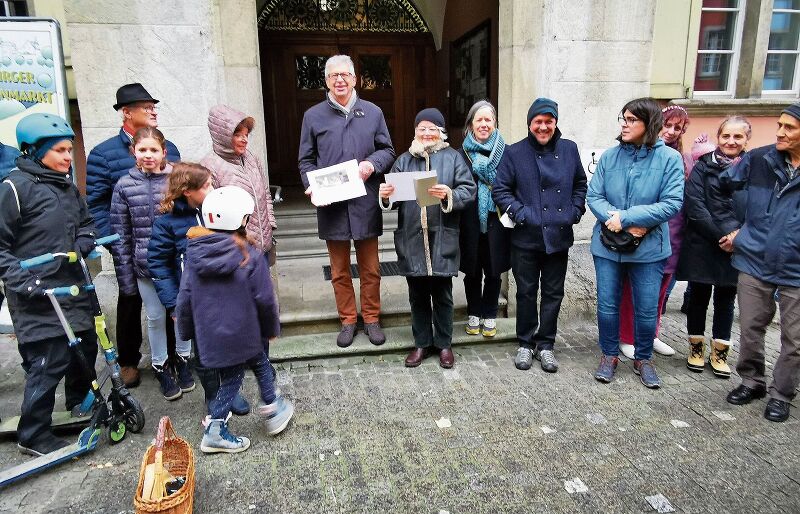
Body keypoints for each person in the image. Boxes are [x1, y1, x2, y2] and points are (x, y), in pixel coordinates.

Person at [0, 113, 98, 455]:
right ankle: (33, 433)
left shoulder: (66, 185)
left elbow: (86, 223)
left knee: (85, 346)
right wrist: (24, 282)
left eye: (69, 150)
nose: (68, 157)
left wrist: (85, 240)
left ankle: (78, 404)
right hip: (36, 294)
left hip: (70, 287)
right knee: (48, 360)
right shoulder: (13, 188)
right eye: (60, 150)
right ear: (34, 150)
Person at [176, 186, 293, 454]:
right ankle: (217, 428)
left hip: (211, 335)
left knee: (256, 365)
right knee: (237, 376)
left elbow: (184, 299)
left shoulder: (193, 256)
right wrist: (271, 328)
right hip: (245, 332)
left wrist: (186, 332)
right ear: (242, 220)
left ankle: (273, 405)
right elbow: (264, 298)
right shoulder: (249, 255)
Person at [86, 83, 181, 388]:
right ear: (127, 113)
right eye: (146, 106)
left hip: (165, 246)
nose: (153, 110)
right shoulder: (103, 154)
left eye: (154, 106)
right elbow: (97, 202)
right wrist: (113, 240)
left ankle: (172, 359)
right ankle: (128, 360)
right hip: (130, 243)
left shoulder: (171, 149)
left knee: (168, 304)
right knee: (129, 300)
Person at [298, 54, 395, 348]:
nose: (339, 80)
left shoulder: (373, 112)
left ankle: (372, 318)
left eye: (345, 75)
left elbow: (388, 150)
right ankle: (348, 321)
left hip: (364, 201)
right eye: (333, 76)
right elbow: (306, 160)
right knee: (339, 270)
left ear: (355, 79)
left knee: (370, 268)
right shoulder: (313, 116)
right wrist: (312, 187)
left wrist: (371, 165)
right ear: (326, 81)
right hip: (332, 206)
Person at [587, 98, 684, 389]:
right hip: (607, 244)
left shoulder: (669, 159)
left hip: (649, 248)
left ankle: (643, 359)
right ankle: (608, 354)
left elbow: (672, 202)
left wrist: (627, 217)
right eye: (623, 119)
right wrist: (616, 219)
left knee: (645, 307)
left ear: (649, 124)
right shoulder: (610, 157)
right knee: (606, 305)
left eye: (632, 120)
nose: (624, 124)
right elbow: (594, 196)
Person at [147, 163, 251, 415]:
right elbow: (158, 264)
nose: (213, 189)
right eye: (206, 186)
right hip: (195, 301)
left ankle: (230, 390)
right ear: (187, 191)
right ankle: (213, 395)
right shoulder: (167, 224)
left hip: (224, 296)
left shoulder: (216, 213)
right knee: (204, 353)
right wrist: (173, 303)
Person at [493, 98, 588, 373]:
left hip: (558, 236)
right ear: (530, 123)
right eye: (538, 122)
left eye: (549, 121)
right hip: (526, 237)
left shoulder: (569, 149)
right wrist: (521, 213)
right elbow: (500, 190)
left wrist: (575, 211)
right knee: (525, 292)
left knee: (553, 293)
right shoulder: (514, 152)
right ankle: (525, 342)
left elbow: (580, 184)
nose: (543, 127)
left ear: (555, 123)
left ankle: (545, 345)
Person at [379, 108, 475, 368]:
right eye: (422, 128)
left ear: (441, 132)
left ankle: (444, 345)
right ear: (415, 132)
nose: (427, 133)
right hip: (412, 239)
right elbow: (393, 199)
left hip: (442, 237)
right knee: (417, 296)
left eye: (432, 128)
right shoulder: (403, 160)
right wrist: (386, 195)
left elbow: (469, 190)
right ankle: (421, 343)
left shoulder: (453, 158)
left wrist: (449, 194)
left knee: (443, 295)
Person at [722, 103, 800, 422]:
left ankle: (781, 393)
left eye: (789, 128)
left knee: (794, 338)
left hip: (796, 267)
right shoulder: (759, 159)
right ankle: (751, 381)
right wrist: (733, 229)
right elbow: (720, 191)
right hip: (754, 259)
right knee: (751, 327)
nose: (780, 132)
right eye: (779, 125)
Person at [110, 127, 193, 401]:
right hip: (145, 266)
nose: (148, 155)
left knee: (181, 312)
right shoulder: (124, 186)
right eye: (142, 149)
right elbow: (121, 235)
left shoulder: (176, 180)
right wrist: (125, 278)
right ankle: (161, 365)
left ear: (163, 153)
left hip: (177, 263)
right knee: (156, 316)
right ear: (134, 152)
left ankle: (183, 357)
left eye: (153, 150)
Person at [677, 116, 751, 378]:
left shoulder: (754, 169)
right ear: (718, 138)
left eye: (737, 137)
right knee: (698, 297)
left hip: (738, 245)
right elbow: (694, 204)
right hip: (703, 242)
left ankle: (720, 353)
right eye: (726, 136)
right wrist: (723, 235)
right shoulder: (702, 166)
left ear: (746, 140)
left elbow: (758, 208)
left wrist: (738, 237)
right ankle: (695, 349)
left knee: (726, 299)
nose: (731, 141)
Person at [617, 105, 692, 359]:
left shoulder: (682, 158)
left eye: (677, 128)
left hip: (673, 231)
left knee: (661, 288)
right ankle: (627, 335)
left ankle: (651, 333)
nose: (670, 132)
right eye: (666, 125)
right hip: (641, 230)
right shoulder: (639, 154)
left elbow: (677, 200)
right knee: (634, 287)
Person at [457, 100, 510, 338]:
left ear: (495, 123)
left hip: (496, 221)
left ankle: (489, 314)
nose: (484, 124)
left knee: (493, 271)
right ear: (470, 124)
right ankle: (473, 313)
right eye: (479, 120)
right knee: (472, 271)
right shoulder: (460, 154)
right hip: (469, 222)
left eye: (488, 120)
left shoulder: (507, 153)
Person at [201, 105, 277, 264]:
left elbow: (265, 193)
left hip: (263, 244)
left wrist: (270, 225)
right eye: (237, 134)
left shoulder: (251, 158)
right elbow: (210, 216)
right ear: (222, 135)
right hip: (237, 250)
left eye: (246, 134)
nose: (244, 139)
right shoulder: (209, 166)